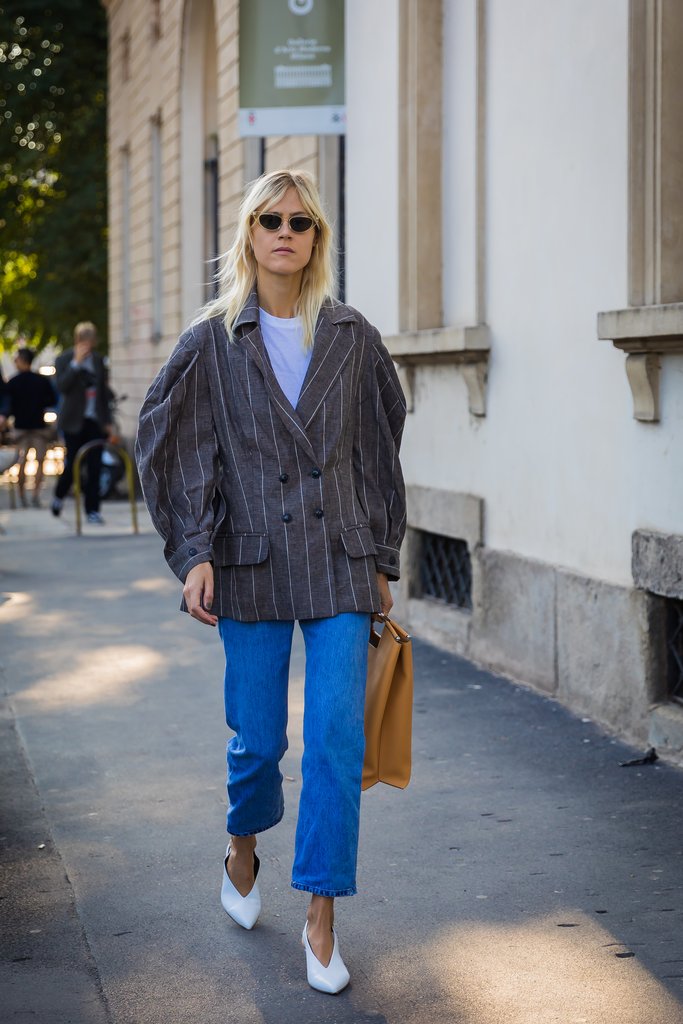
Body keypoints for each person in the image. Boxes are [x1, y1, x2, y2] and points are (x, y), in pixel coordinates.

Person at [136, 169, 406, 995]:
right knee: (258, 740)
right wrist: (194, 552)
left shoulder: (353, 335)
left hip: (338, 562)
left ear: (317, 238)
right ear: (248, 235)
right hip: (247, 563)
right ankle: (243, 844)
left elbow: (379, 442)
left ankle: (321, 916)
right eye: (268, 219)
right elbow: (168, 441)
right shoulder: (212, 339)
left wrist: (383, 554)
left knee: (333, 738)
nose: (284, 232)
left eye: (300, 221)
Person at [52, 322, 113, 524]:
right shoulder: (63, 360)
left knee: (95, 465)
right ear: (77, 340)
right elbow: (62, 387)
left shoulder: (97, 361)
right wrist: (76, 364)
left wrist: (108, 422)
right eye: (84, 341)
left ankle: (92, 510)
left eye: (91, 341)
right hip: (73, 421)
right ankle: (59, 496)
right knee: (73, 465)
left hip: (94, 420)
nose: (88, 346)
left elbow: (103, 394)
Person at [6, 347, 57, 507]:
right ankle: (35, 494)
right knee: (39, 461)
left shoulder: (13, 382)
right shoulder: (41, 381)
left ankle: (22, 495)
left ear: (22, 360)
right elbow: (52, 400)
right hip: (38, 427)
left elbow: (8, 406)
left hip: (22, 427)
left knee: (21, 462)